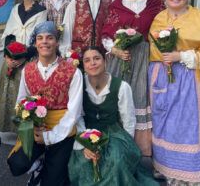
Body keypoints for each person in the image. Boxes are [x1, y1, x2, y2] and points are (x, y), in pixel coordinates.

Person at [68, 47, 159, 186]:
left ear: (105, 61)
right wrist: (84, 143)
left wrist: (125, 146)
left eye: (97, 58)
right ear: (83, 65)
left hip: (114, 133)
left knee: (115, 161)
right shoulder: (79, 86)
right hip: (87, 133)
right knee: (82, 163)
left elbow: (129, 120)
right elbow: (78, 117)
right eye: (87, 60)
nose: (92, 63)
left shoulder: (121, 86)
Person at [7, 21, 83, 186]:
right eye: (40, 38)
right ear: (35, 43)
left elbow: (74, 112)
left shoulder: (73, 72)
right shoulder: (28, 69)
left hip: (62, 130)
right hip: (36, 128)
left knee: (53, 182)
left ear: (57, 42)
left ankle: (47, 169)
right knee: (16, 165)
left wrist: (49, 137)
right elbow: (21, 100)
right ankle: (39, 165)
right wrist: (32, 126)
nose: (45, 42)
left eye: (50, 38)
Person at [102, 0, 164, 156]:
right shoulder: (116, 5)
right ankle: (112, 148)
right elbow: (106, 33)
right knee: (117, 98)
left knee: (140, 98)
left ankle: (139, 151)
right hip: (120, 58)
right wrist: (115, 50)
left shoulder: (155, 4)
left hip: (144, 59)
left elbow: (164, 28)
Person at [148, 0, 200, 185]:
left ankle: (189, 174)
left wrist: (181, 57)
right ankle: (164, 167)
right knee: (163, 123)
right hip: (161, 76)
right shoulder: (159, 18)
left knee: (186, 125)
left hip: (190, 79)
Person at [0, 0, 47, 135]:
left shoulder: (41, 11)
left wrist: (23, 57)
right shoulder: (15, 9)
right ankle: (8, 126)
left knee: (27, 93)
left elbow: (40, 39)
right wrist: (8, 57)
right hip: (12, 57)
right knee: (7, 90)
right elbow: (9, 35)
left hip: (30, 58)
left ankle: (25, 129)